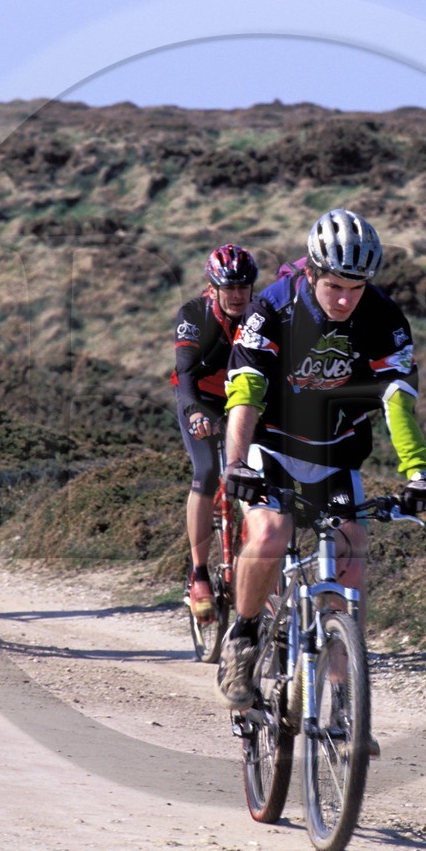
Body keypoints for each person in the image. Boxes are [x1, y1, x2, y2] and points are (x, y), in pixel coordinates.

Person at [216, 209, 426, 711]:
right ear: (313, 273)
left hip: (337, 453)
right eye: (335, 285)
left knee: (351, 554)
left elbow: (397, 399)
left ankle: (343, 703)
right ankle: (244, 635)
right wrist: (235, 464)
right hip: (271, 445)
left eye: (356, 288)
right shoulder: (271, 310)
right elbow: (246, 394)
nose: (345, 299)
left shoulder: (383, 318)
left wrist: (418, 472)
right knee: (272, 534)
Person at [171, 243, 259, 622]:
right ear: (213, 287)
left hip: (245, 402)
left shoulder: (261, 314)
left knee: (261, 477)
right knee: (207, 472)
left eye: (244, 287)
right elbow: (186, 373)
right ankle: (199, 573)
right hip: (202, 401)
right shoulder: (194, 314)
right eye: (229, 288)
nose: (238, 296)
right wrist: (193, 413)